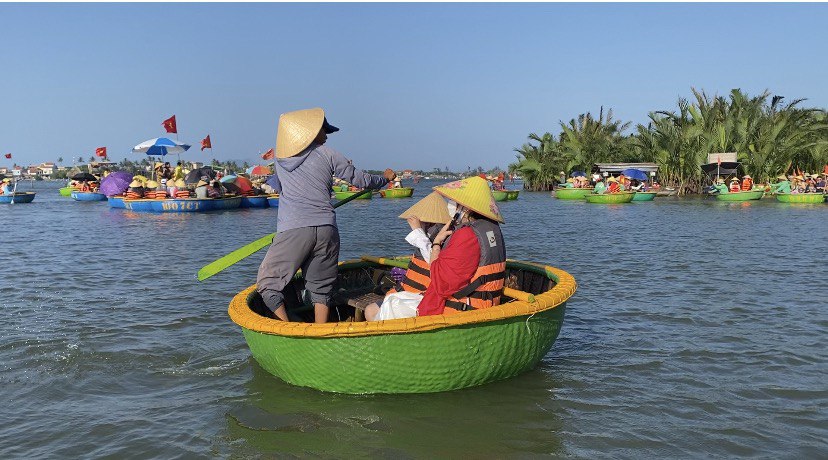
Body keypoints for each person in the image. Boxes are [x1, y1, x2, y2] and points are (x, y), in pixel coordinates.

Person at [256, 107, 394, 323]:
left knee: (268, 285)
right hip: (326, 229)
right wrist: (385, 178)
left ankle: (286, 327)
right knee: (321, 289)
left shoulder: (280, 159)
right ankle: (320, 331)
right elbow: (362, 181)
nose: (327, 135)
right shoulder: (329, 154)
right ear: (310, 133)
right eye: (324, 130)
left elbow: (280, 187)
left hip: (294, 229)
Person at [365, 176, 506, 321]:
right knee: (391, 300)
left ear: (465, 208)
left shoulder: (466, 236)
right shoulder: (490, 229)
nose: (450, 204)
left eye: (454, 202)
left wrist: (437, 243)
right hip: (481, 303)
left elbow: (441, 284)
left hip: (461, 309)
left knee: (391, 304)